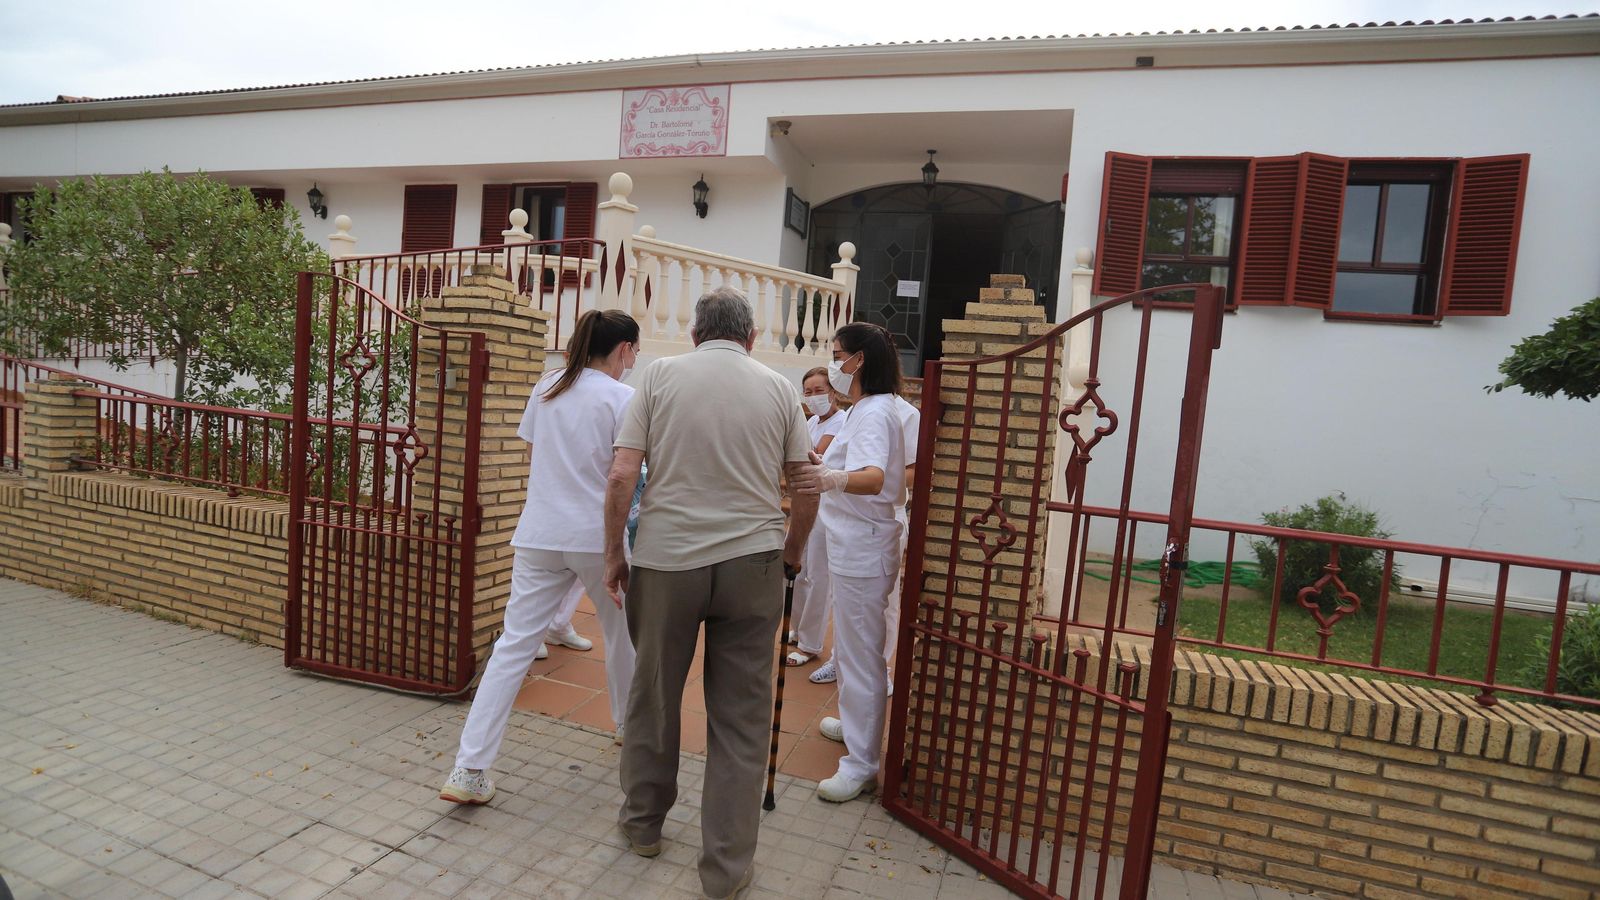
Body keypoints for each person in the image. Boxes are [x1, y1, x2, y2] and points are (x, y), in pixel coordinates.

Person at [604, 286, 817, 900]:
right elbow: (805, 483)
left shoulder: (661, 376)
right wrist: (792, 554)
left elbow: (622, 473)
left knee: (655, 694)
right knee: (742, 718)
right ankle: (725, 870)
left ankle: (643, 825)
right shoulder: (780, 386)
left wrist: (615, 555)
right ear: (750, 339)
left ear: (696, 334)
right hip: (752, 561)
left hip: (668, 561)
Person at [438, 309, 641, 805]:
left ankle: (469, 769)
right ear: (623, 350)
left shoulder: (548, 386)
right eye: (634, 350)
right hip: (596, 537)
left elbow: (536, 458)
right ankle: (628, 728)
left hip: (539, 533)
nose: (635, 359)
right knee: (623, 637)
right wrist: (618, 548)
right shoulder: (623, 397)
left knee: (513, 647)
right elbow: (624, 476)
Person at [792, 322, 906, 804]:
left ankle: (861, 763)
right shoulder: (861, 411)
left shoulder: (876, 412)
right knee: (856, 649)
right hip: (851, 544)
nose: (833, 362)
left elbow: (873, 478)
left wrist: (831, 479)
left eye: (837, 355)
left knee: (861, 657)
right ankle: (859, 725)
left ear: (859, 360)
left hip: (864, 545)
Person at [808, 389, 918, 686]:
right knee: (845, 598)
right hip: (848, 514)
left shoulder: (906, 413)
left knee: (885, 602)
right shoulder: (857, 409)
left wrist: (867, 476)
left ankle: (880, 668)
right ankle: (841, 660)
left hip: (882, 514)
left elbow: (913, 471)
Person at [785, 366, 845, 668]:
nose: (812, 397)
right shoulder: (809, 422)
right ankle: (798, 628)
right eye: (807, 392)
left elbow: (813, 454)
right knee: (798, 567)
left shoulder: (842, 420)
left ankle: (811, 643)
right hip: (804, 502)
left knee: (818, 573)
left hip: (826, 507)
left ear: (833, 392)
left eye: (819, 390)